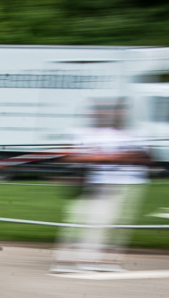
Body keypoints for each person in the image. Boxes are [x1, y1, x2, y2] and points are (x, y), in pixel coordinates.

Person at [52, 101, 151, 273]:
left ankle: (106, 261)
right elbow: (70, 155)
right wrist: (111, 158)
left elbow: (144, 156)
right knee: (89, 220)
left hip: (129, 183)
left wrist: (107, 157)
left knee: (117, 224)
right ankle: (75, 260)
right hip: (98, 183)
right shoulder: (87, 134)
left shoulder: (134, 134)